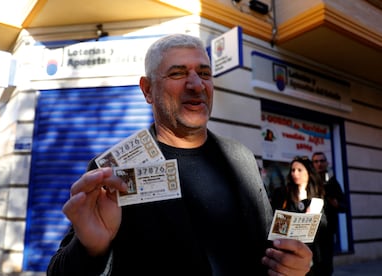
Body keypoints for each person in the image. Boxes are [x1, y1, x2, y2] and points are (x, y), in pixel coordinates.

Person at [47, 33, 312, 276]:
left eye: (205, 73)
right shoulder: (111, 171)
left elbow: (268, 249)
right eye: (177, 73)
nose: (197, 85)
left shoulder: (241, 158)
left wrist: (294, 264)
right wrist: (91, 249)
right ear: (147, 90)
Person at [270, 156, 328, 276]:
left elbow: (324, 225)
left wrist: (314, 216)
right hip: (290, 251)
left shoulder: (317, 194)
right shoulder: (283, 193)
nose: (295, 173)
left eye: (299, 170)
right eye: (293, 170)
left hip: (315, 253)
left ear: (308, 172)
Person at [312, 151, 347, 275]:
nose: (319, 164)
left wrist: (336, 204)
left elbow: (344, 206)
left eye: (322, 161)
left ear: (326, 163)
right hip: (311, 231)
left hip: (327, 231)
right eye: (316, 161)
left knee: (326, 265)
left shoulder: (332, 182)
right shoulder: (308, 183)